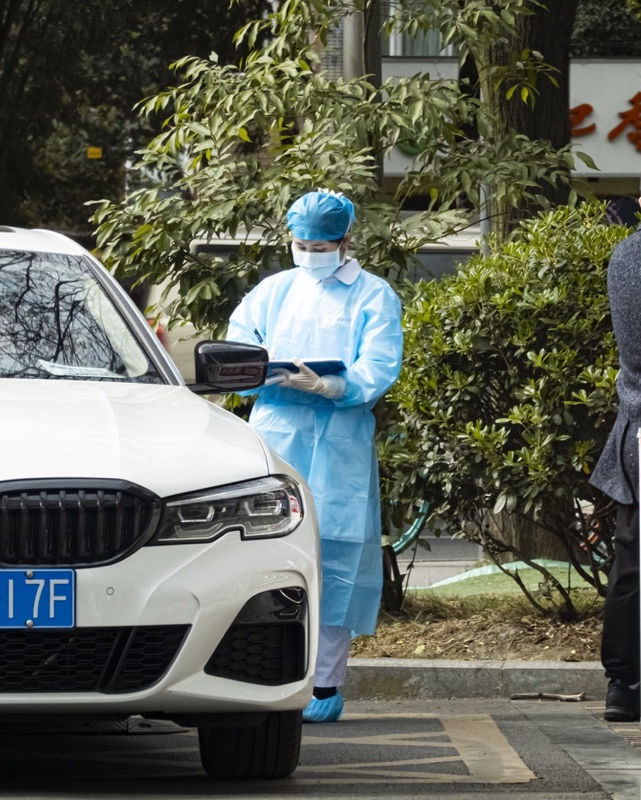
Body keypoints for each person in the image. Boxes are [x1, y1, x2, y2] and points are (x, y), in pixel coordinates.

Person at [226, 190, 404, 723]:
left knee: (336, 561)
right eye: (301, 244)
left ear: (347, 241)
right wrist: (256, 372)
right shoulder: (273, 291)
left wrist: (329, 386)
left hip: (341, 443)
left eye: (321, 244)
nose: (310, 253)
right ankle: (260, 673)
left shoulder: (374, 295)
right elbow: (239, 345)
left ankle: (325, 684)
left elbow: (378, 364)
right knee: (265, 556)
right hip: (276, 434)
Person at [590, 161, 641, 723]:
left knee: (629, 560)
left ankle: (621, 684)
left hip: (636, 426)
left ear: (640, 201)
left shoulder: (624, 254)